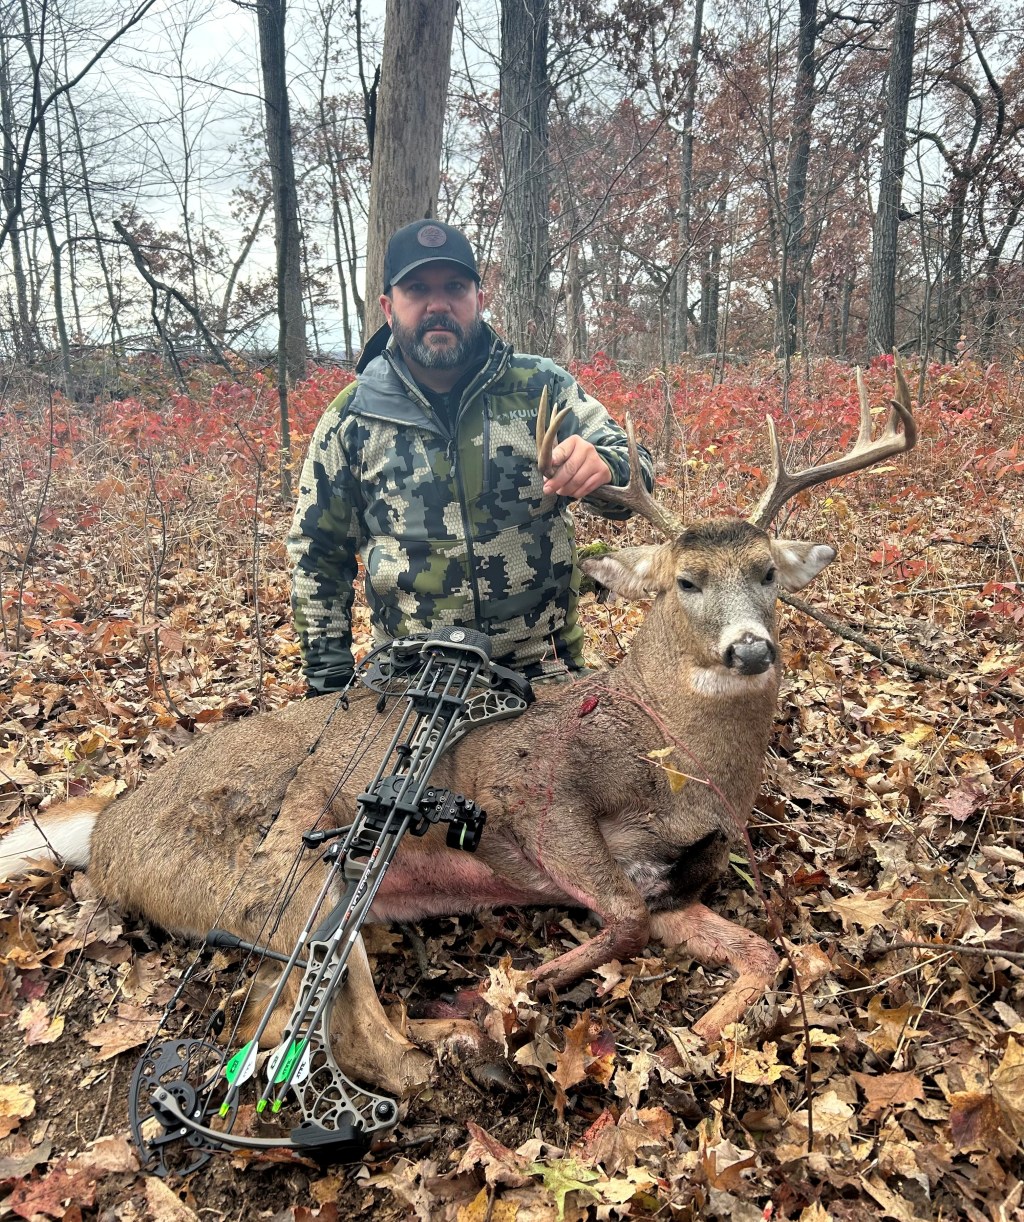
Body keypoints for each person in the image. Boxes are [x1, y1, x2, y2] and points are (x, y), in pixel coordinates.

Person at [287, 219, 655, 694]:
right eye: (417, 289)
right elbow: (317, 554)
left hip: (541, 668)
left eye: (455, 288)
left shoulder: (542, 387)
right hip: (409, 678)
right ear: (387, 306)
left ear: (479, 300)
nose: (437, 305)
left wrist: (606, 466)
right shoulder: (352, 417)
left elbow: (637, 470)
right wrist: (328, 685)